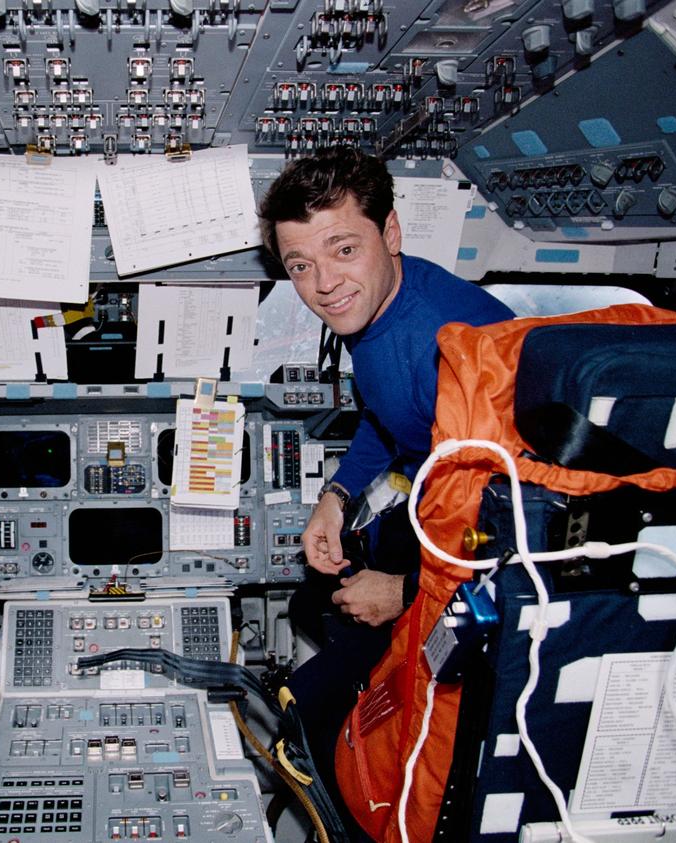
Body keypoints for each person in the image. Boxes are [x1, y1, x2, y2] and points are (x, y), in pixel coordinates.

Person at [257, 148, 514, 818]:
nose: (324, 283)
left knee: (308, 712)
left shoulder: (454, 351)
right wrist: (335, 499)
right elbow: (385, 413)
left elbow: (526, 534)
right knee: (314, 597)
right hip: (447, 507)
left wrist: (402, 594)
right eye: (300, 266)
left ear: (391, 233)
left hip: (496, 552)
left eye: (343, 248)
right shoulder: (372, 312)